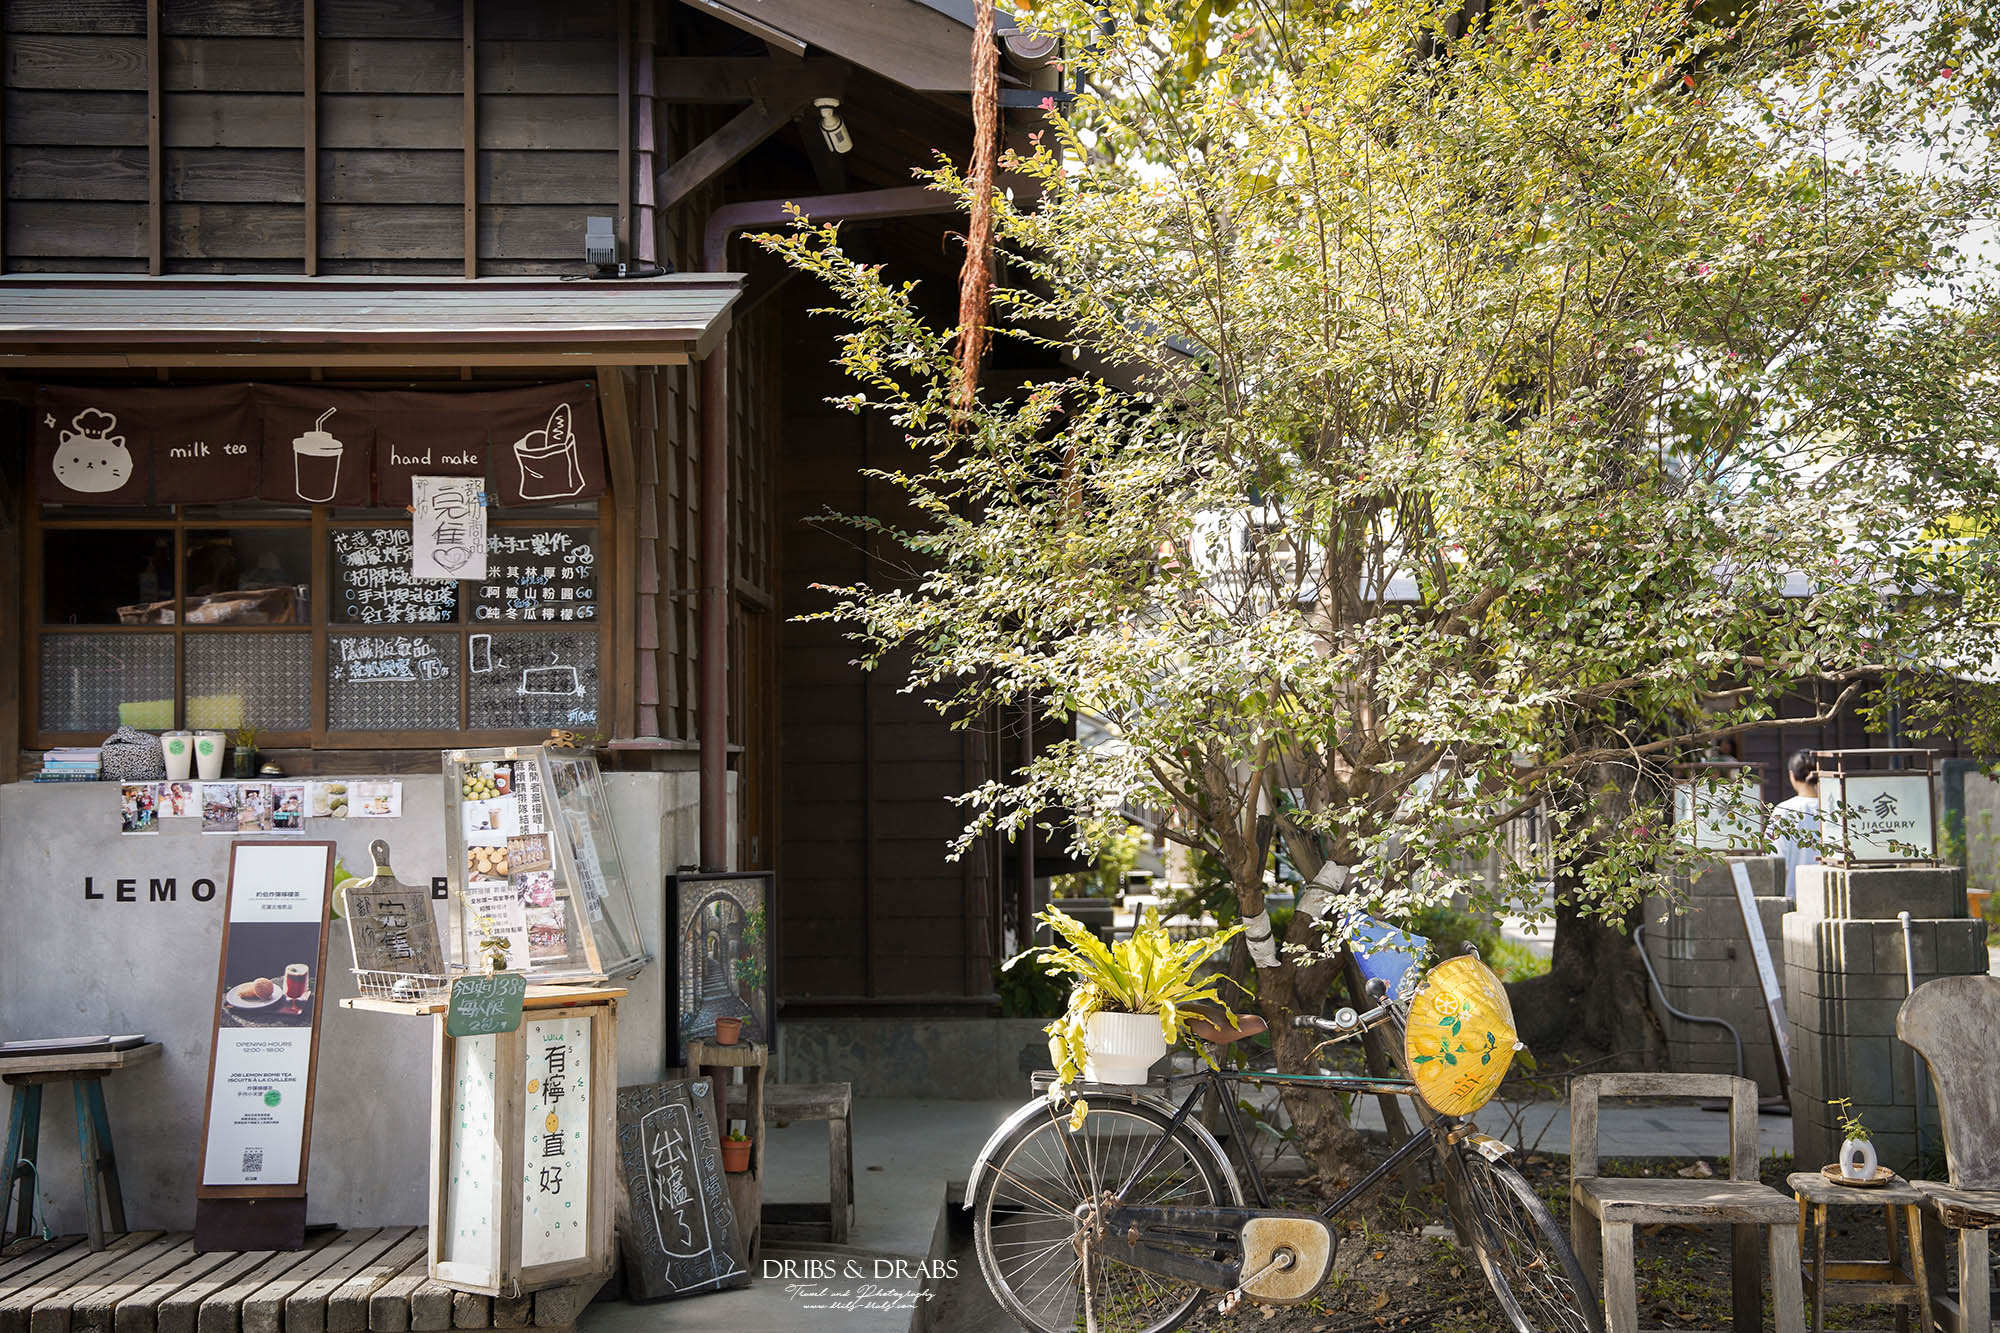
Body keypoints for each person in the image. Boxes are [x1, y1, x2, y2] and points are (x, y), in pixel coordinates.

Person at [1769, 749, 1820, 900]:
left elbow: (1775, 856)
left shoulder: (1783, 810)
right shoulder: (1834, 809)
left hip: (1793, 894)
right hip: (1830, 897)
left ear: (1792, 775)